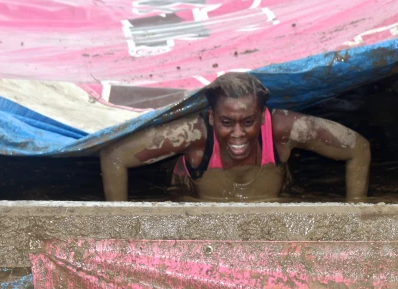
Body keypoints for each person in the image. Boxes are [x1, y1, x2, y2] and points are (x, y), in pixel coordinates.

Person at [99, 72, 370, 201]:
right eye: (227, 122)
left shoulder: (284, 128)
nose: (238, 133)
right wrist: (121, 230)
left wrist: (354, 218)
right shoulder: (193, 134)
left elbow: (357, 148)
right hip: (187, 190)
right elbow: (114, 156)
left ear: (263, 116)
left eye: (248, 122)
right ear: (212, 117)